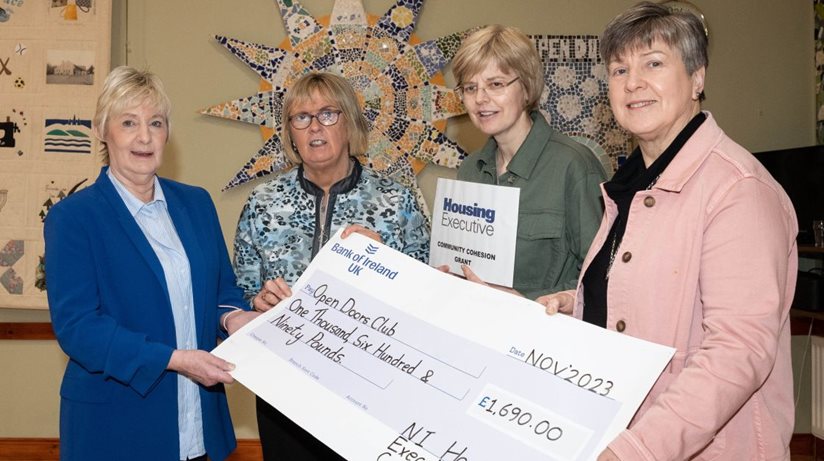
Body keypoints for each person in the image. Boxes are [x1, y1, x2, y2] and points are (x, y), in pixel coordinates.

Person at [538, 3, 797, 459]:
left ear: (698, 78)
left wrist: (636, 450)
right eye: (619, 69)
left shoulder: (738, 190)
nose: (632, 82)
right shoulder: (632, 186)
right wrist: (577, 305)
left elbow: (738, 352)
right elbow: (644, 303)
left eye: (653, 63)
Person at [44, 66, 258, 461]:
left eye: (155, 123)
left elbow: (222, 289)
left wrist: (232, 318)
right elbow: (78, 328)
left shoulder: (196, 204)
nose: (144, 136)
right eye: (129, 122)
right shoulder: (74, 218)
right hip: (117, 429)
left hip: (198, 424)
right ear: (101, 131)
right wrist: (175, 360)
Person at [233, 71, 430, 460]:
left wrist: (385, 268)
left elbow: (424, 305)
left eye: (327, 114)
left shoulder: (397, 203)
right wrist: (257, 303)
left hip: (371, 390)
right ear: (290, 132)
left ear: (351, 123)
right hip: (282, 388)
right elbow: (240, 293)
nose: (314, 127)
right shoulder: (262, 202)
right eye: (301, 117)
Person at [451, 25, 607, 300]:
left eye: (496, 84)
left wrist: (525, 302)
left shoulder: (574, 165)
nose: (480, 99)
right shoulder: (469, 170)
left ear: (526, 88)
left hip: (546, 335)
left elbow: (602, 278)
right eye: (470, 87)